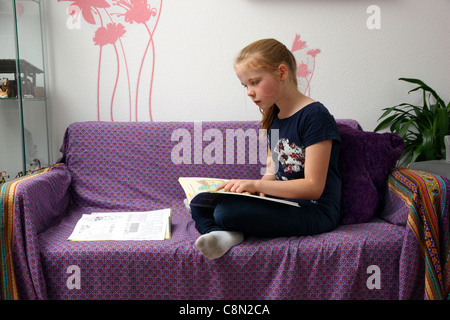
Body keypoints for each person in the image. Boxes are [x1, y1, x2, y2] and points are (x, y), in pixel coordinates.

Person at [190, 38, 341, 260]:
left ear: (282, 72)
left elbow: (313, 188)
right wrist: (254, 190)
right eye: (245, 85)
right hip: (284, 202)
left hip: (315, 210)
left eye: (254, 82)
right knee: (201, 203)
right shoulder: (274, 119)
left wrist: (256, 185)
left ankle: (228, 230)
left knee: (225, 211)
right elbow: (273, 174)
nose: (249, 92)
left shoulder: (315, 116)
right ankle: (222, 234)